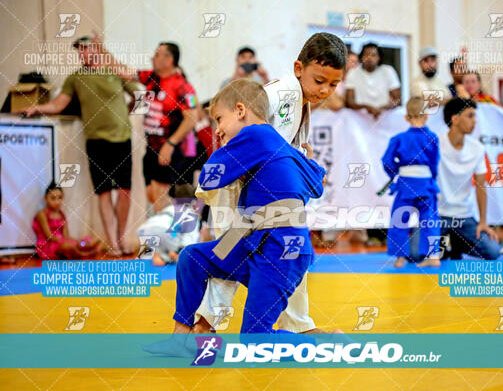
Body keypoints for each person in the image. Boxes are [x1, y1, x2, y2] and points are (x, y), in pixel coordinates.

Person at [144, 79, 326, 352]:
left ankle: (323, 343)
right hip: (261, 244)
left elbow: (209, 176)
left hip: (281, 251)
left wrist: (227, 151)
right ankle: (180, 338)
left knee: (254, 342)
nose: (217, 129)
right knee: (192, 258)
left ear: (240, 110)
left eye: (219, 119)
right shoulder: (281, 146)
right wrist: (306, 159)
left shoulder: (255, 135)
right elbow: (316, 184)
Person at [194, 32, 346, 335]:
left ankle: (298, 324)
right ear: (298, 68)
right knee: (231, 252)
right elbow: (242, 130)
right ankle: (204, 323)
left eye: (333, 84)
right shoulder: (283, 95)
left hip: (262, 190)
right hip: (239, 186)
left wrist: (301, 156)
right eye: (319, 81)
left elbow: (277, 146)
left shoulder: (298, 98)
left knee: (289, 249)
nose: (326, 90)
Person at [22, 36, 137, 256]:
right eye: (80, 50)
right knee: (103, 192)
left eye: (87, 48)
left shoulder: (113, 70)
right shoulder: (76, 77)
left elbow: (136, 85)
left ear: (97, 49)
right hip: (95, 140)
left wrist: (126, 112)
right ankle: (112, 242)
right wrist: (37, 108)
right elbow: (59, 104)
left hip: (122, 137)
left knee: (125, 191)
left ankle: (122, 239)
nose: (83, 53)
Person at [99, 40, 199, 212]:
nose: (152, 58)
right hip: (151, 148)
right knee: (152, 195)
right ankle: (161, 232)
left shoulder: (183, 87)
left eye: (157, 54)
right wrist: (102, 52)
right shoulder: (153, 77)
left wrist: (170, 144)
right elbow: (124, 72)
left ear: (169, 59)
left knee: (163, 198)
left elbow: (192, 118)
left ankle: (170, 236)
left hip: (170, 150)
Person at [438, 98, 500, 260]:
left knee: (492, 251)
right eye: (470, 116)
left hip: (464, 216)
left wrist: (483, 222)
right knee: (416, 253)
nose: (475, 121)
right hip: (437, 215)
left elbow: (481, 186)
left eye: (475, 116)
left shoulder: (477, 148)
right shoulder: (435, 143)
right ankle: (447, 244)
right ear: (455, 119)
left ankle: (455, 242)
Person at [381, 96, 440, 268]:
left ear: (406, 117)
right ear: (427, 116)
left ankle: (400, 258)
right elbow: (434, 162)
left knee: (400, 220)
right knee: (430, 220)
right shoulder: (432, 137)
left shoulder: (399, 139)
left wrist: (395, 172)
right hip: (426, 184)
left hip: (406, 184)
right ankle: (433, 256)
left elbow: (387, 161)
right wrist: (432, 178)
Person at [33, 182, 102, 260]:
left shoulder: (62, 215)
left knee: (80, 243)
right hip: (48, 245)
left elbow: (66, 236)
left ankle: (84, 246)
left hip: (62, 242)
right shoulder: (42, 214)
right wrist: (64, 241)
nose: (57, 202)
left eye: (60, 198)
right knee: (68, 246)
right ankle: (83, 254)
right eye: (53, 198)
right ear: (45, 198)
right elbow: (49, 236)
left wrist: (76, 241)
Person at [345, 42, 401, 119]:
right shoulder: (353, 73)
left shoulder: (388, 71)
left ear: (379, 57)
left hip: (385, 117)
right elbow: (349, 101)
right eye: (366, 55)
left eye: (373, 55)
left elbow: (397, 99)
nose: (370, 58)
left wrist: (382, 109)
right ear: (361, 57)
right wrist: (366, 107)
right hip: (359, 119)